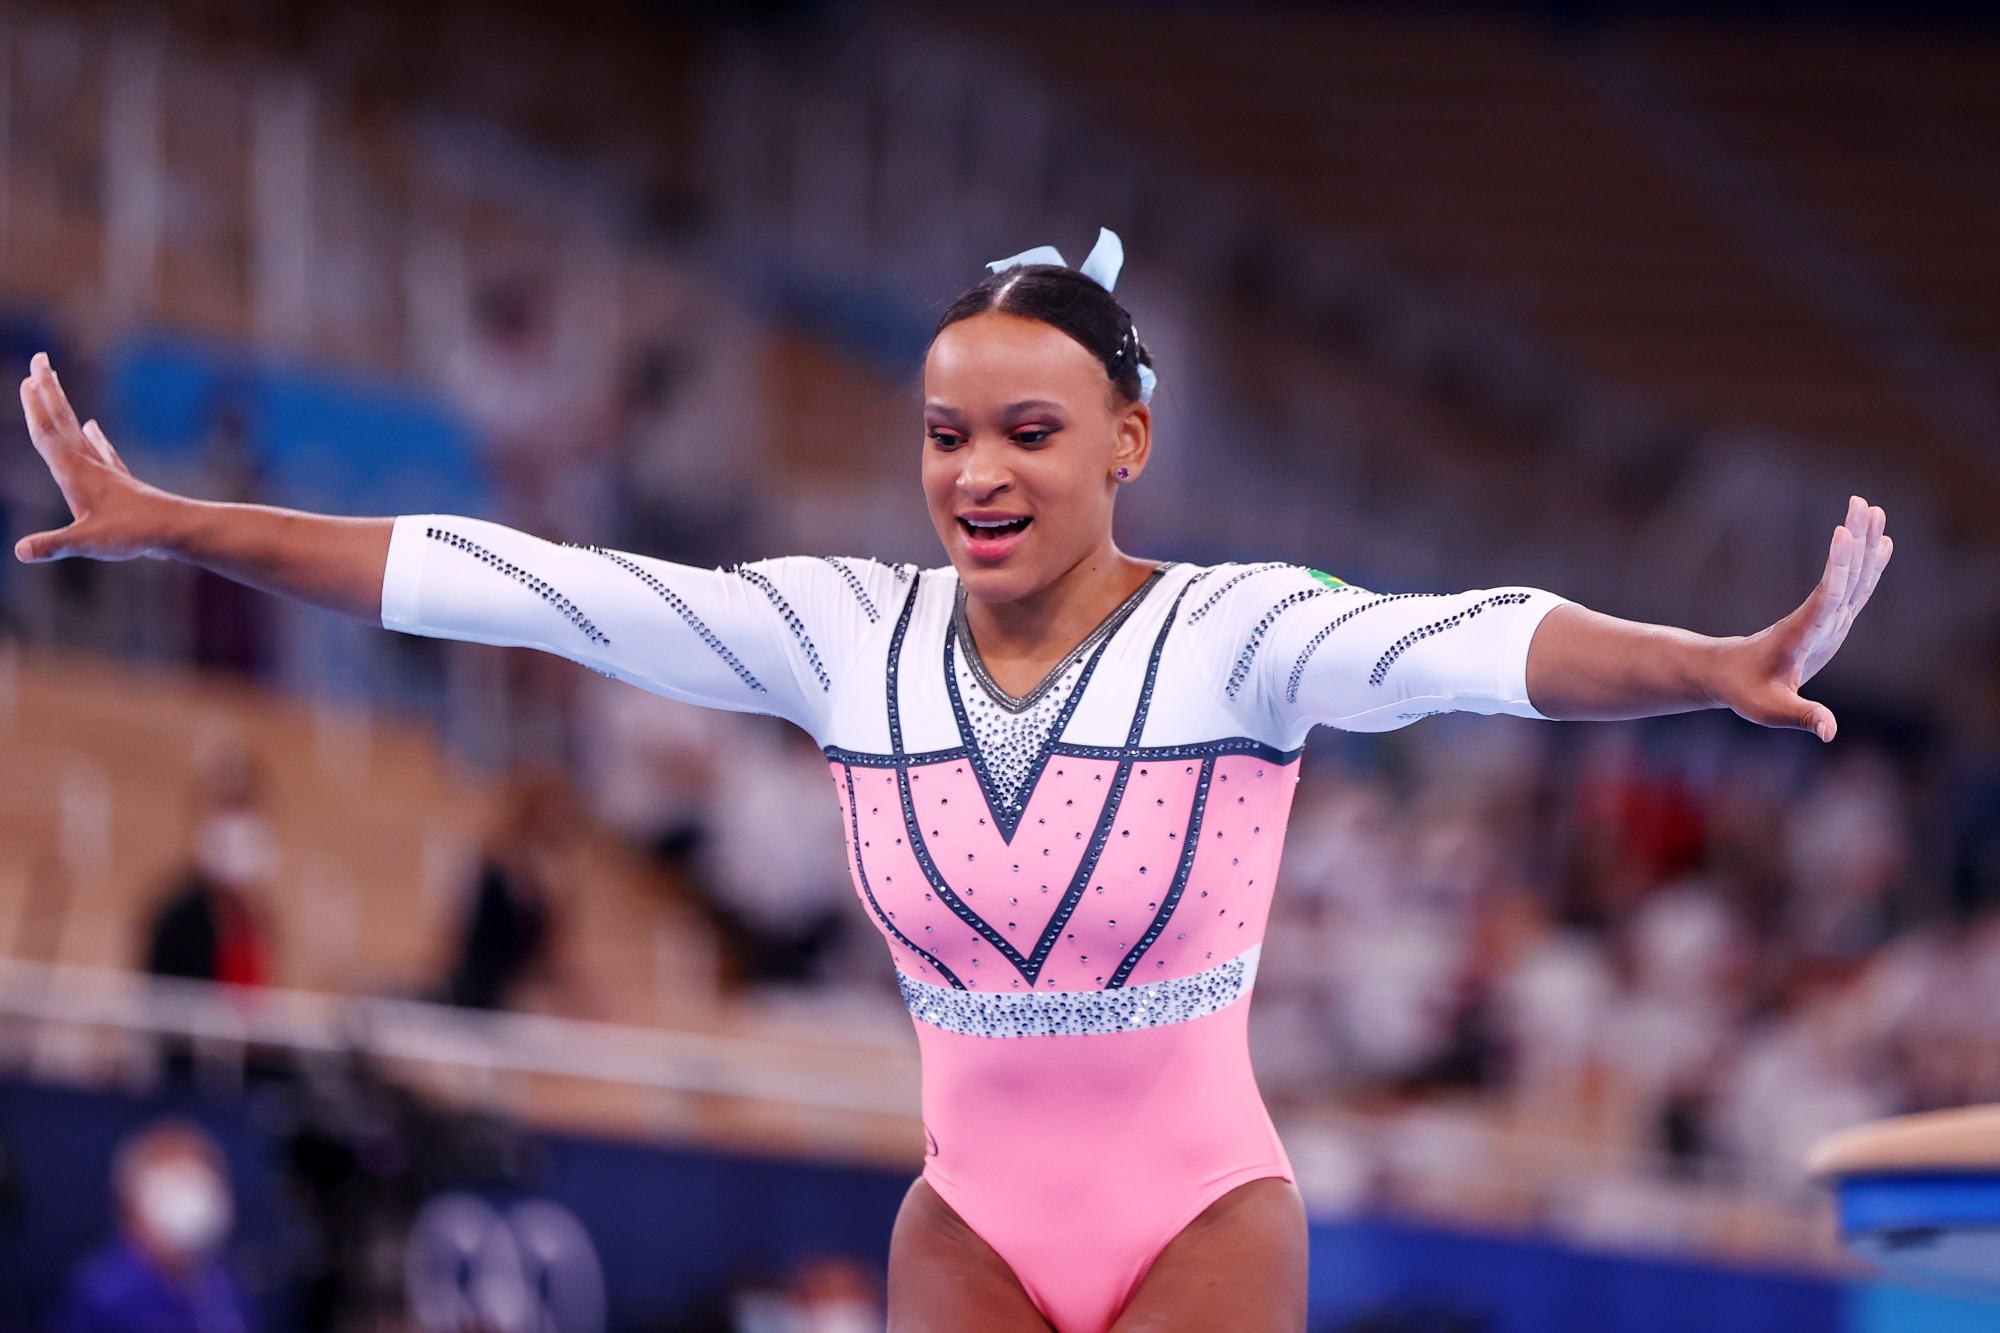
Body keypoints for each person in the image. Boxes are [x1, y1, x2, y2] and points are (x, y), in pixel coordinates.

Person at [11, 227, 1891, 1333]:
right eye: (943, 432)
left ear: (1128, 440)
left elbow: (1489, 638)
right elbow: (512, 580)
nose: (977, 469)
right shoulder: (843, 630)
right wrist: (182, 524)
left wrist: (1704, 665)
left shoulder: (1235, 635)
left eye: (1030, 431)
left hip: (1201, 1213)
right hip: (966, 1216)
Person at [52, 1120, 252, 1333]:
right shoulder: (103, 1294)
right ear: (130, 1203)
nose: (193, 1206)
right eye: (176, 1186)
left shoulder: (223, 1285)